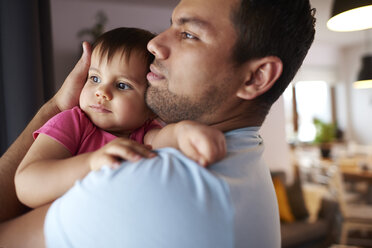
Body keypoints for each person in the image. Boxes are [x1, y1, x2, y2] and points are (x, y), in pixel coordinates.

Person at [0, 0, 316, 247]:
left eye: (189, 34)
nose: (155, 44)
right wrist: (58, 108)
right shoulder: (247, 156)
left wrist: (53, 108)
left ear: (254, 77)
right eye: (171, 25)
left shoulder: (145, 180)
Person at [13, 27, 226, 209]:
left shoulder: (144, 133)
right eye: (95, 78)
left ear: (152, 106)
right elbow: (26, 185)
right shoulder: (73, 122)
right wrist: (92, 163)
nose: (101, 92)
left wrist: (185, 131)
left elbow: (167, 137)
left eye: (122, 85)